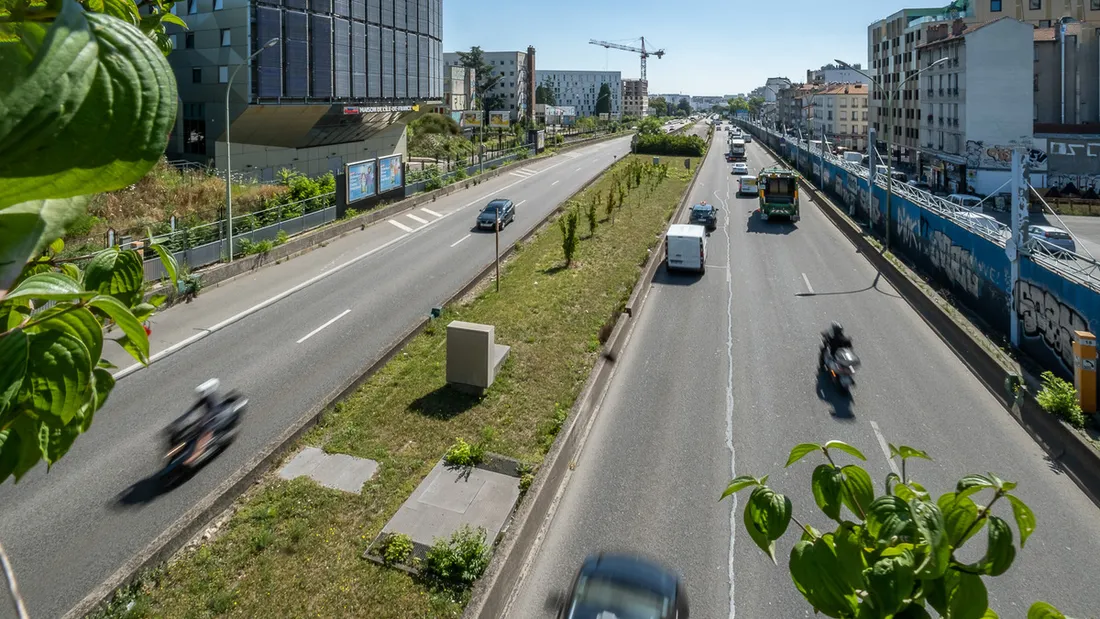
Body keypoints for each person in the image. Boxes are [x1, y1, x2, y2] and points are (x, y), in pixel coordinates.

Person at [183, 379, 221, 466]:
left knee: (202, 440)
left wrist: (203, 421)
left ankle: (194, 458)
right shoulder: (206, 397)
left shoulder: (212, 399)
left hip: (213, 421)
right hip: (208, 419)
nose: (201, 395)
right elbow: (193, 409)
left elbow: (213, 412)